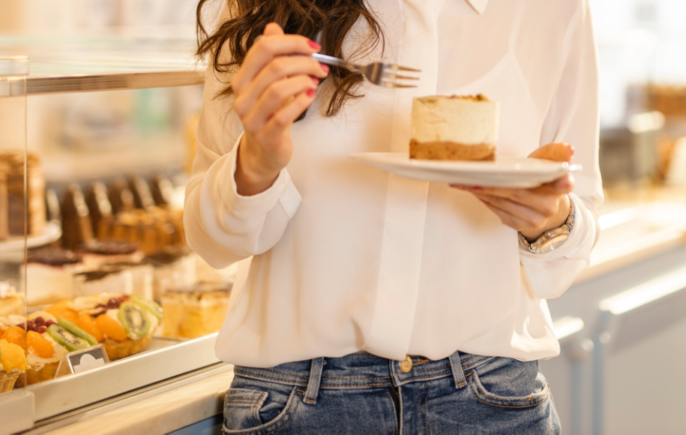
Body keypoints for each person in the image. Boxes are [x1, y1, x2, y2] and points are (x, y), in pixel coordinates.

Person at [186, 0, 601, 432]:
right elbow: (211, 241)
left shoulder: (554, 9)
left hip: (492, 400)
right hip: (300, 403)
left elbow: (576, 235)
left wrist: (551, 218)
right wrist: (255, 162)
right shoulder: (259, 9)